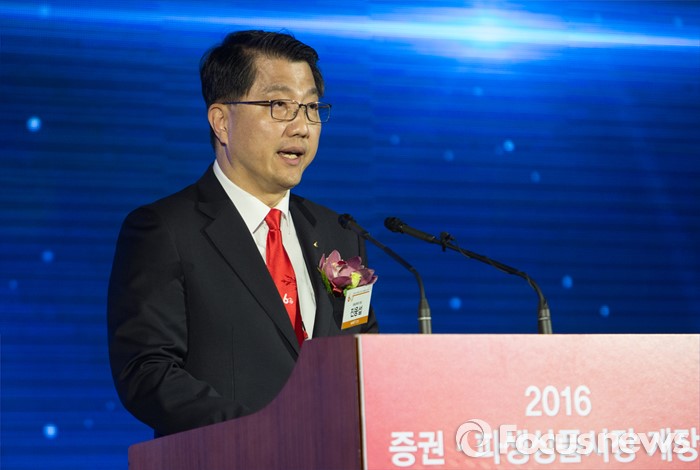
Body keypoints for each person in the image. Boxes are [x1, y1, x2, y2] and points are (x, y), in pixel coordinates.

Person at [107, 30, 378, 437]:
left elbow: (363, 356)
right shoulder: (165, 229)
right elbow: (147, 372)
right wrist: (260, 431)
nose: (302, 127)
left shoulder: (340, 233)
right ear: (222, 121)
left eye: (311, 108)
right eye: (280, 106)